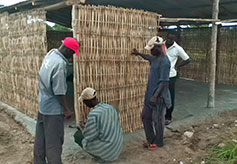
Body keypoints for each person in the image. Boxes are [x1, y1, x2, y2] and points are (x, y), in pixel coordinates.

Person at [34, 37, 80, 164]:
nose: (72, 56)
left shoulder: (51, 53)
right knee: (54, 142)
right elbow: (59, 91)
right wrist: (66, 109)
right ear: (67, 49)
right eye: (72, 52)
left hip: (43, 105)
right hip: (53, 110)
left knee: (41, 140)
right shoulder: (60, 64)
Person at [131, 36, 171, 149]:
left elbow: (164, 82)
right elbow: (148, 57)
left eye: (152, 49)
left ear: (158, 48)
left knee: (158, 121)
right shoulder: (155, 58)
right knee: (145, 117)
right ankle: (151, 139)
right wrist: (138, 53)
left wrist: (155, 96)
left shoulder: (165, 62)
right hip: (150, 95)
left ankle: (158, 142)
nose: (150, 51)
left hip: (159, 97)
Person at [74, 87, 124, 162]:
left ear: (88, 101)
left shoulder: (94, 114)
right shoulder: (110, 107)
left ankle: (101, 157)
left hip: (109, 149)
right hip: (117, 145)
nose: (85, 104)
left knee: (78, 136)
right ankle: (103, 154)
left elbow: (89, 136)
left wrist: (82, 129)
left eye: (84, 102)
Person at [164, 31, 191, 125]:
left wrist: (176, 66)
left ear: (174, 39)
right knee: (158, 95)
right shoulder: (161, 46)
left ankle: (168, 116)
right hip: (159, 75)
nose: (169, 40)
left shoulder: (178, 49)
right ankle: (158, 115)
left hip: (171, 75)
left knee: (170, 96)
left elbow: (187, 59)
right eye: (168, 38)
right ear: (166, 37)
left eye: (171, 39)